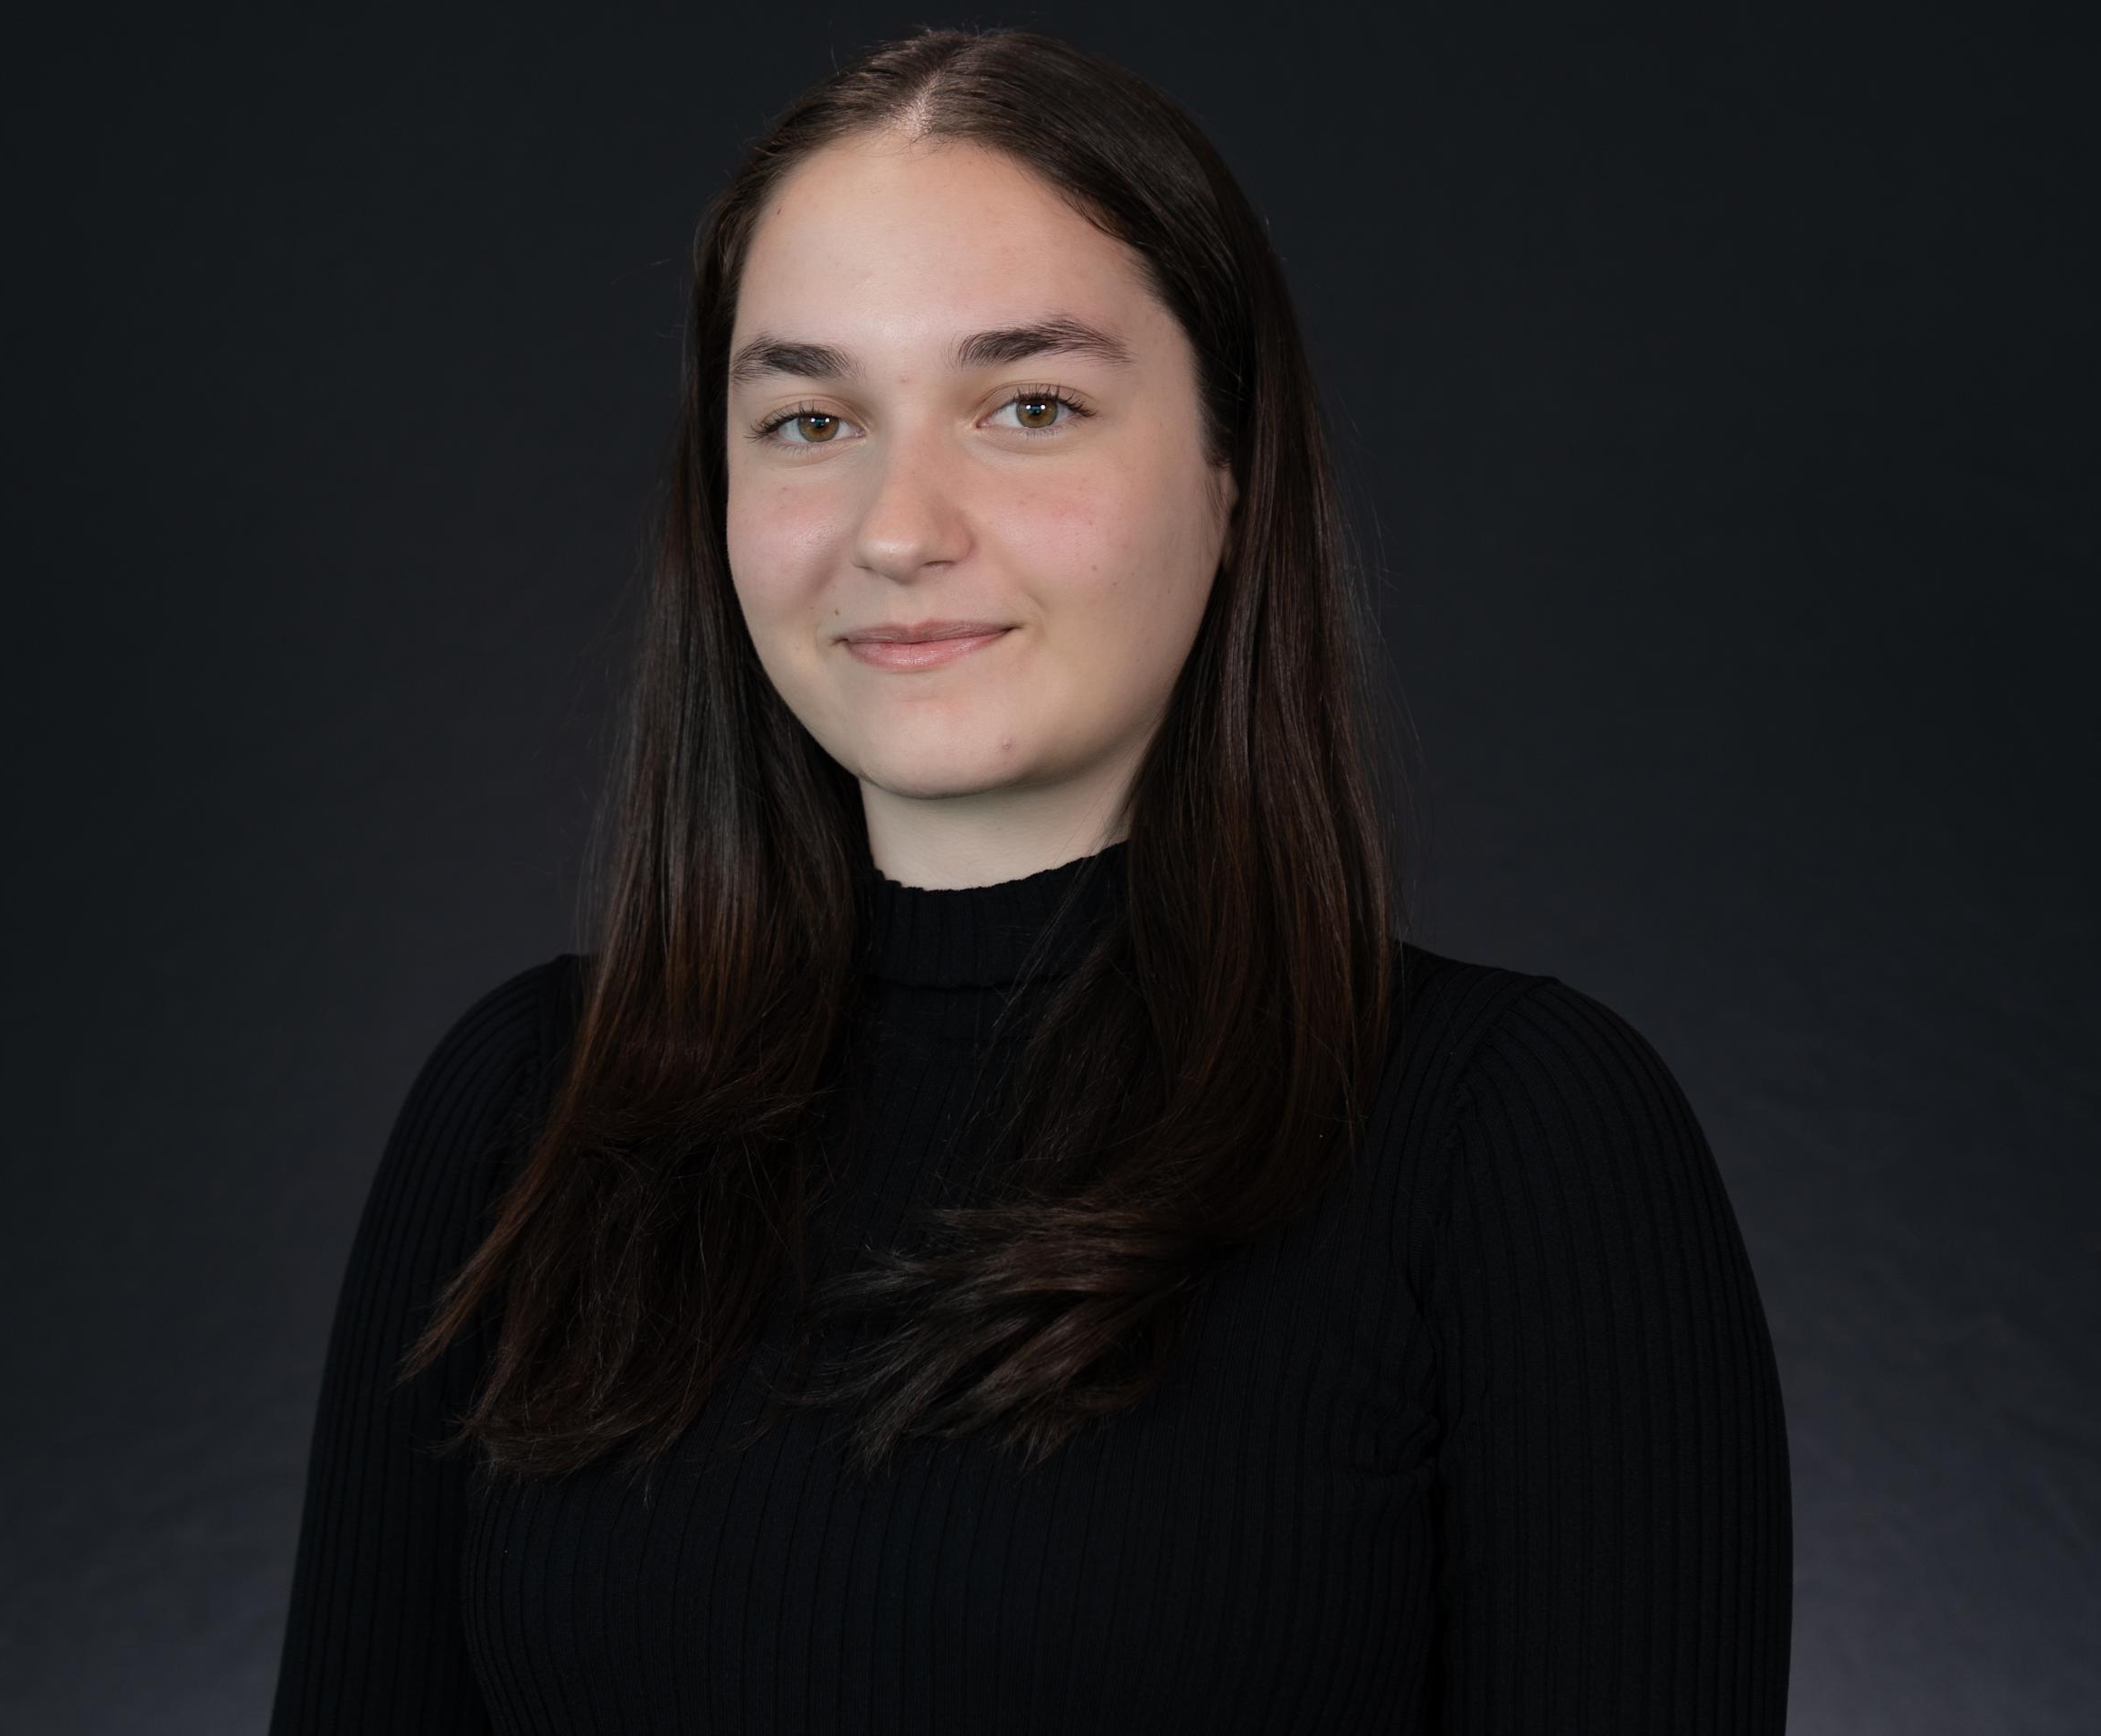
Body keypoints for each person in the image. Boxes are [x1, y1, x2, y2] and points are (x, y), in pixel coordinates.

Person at [269, 25, 1792, 1733]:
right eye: (809, 416)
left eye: (1031, 405)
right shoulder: (522, 1113)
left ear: (1231, 472)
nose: (898, 525)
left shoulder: (1515, 1142)